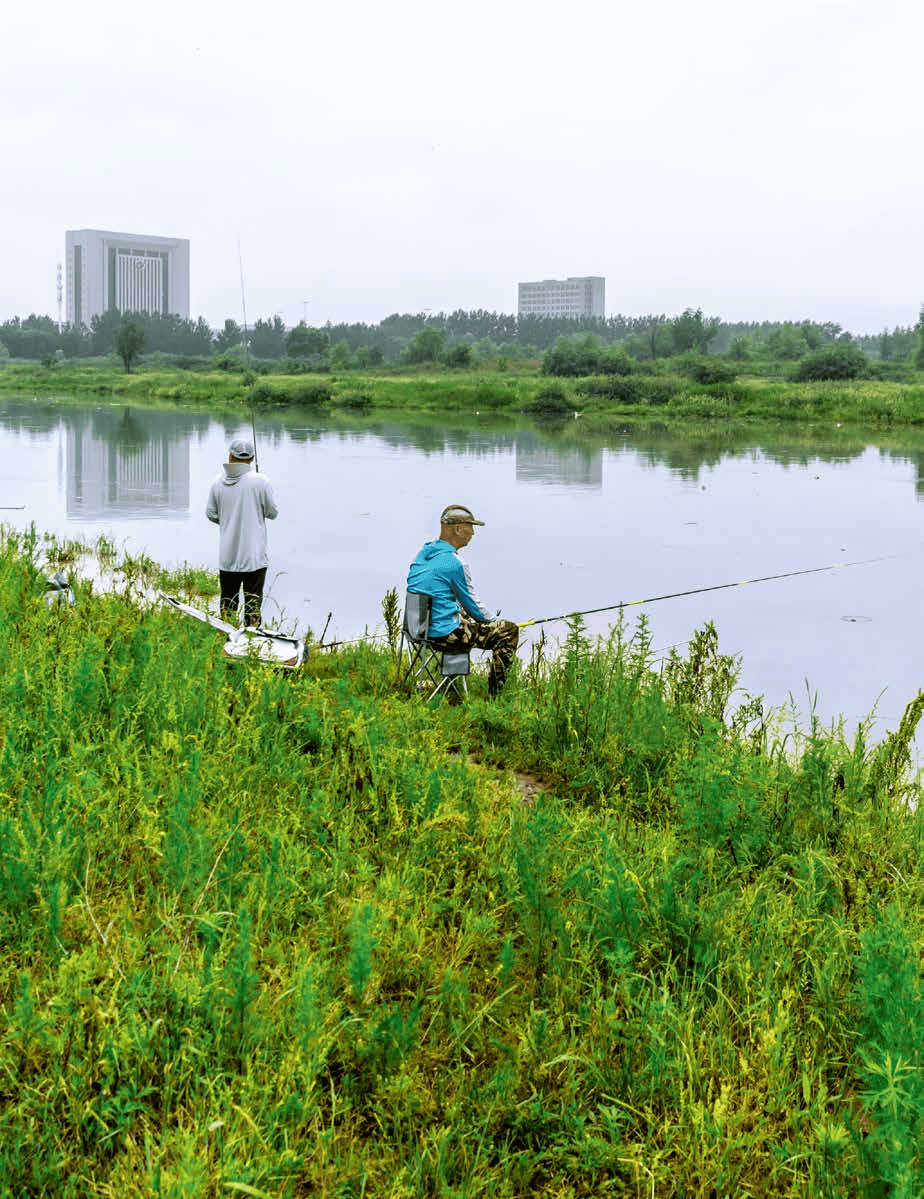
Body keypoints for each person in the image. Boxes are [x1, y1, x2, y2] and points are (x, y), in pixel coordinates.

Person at [407, 503, 519, 697]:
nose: (473, 532)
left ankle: (452, 685)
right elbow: (474, 607)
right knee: (508, 631)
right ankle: (495, 697)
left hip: (416, 630)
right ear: (457, 529)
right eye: (470, 526)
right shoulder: (455, 563)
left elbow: (438, 596)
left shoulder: (424, 554)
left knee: (464, 617)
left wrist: (460, 614)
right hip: (443, 636)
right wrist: (494, 621)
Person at [206, 436, 278, 627]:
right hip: (254, 558)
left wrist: (230, 521)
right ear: (252, 459)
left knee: (227, 604)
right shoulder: (261, 482)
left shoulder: (216, 483)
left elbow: (211, 514)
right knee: (253, 606)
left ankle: (225, 638)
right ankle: (251, 642)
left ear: (230, 456)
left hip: (227, 557)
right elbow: (272, 513)